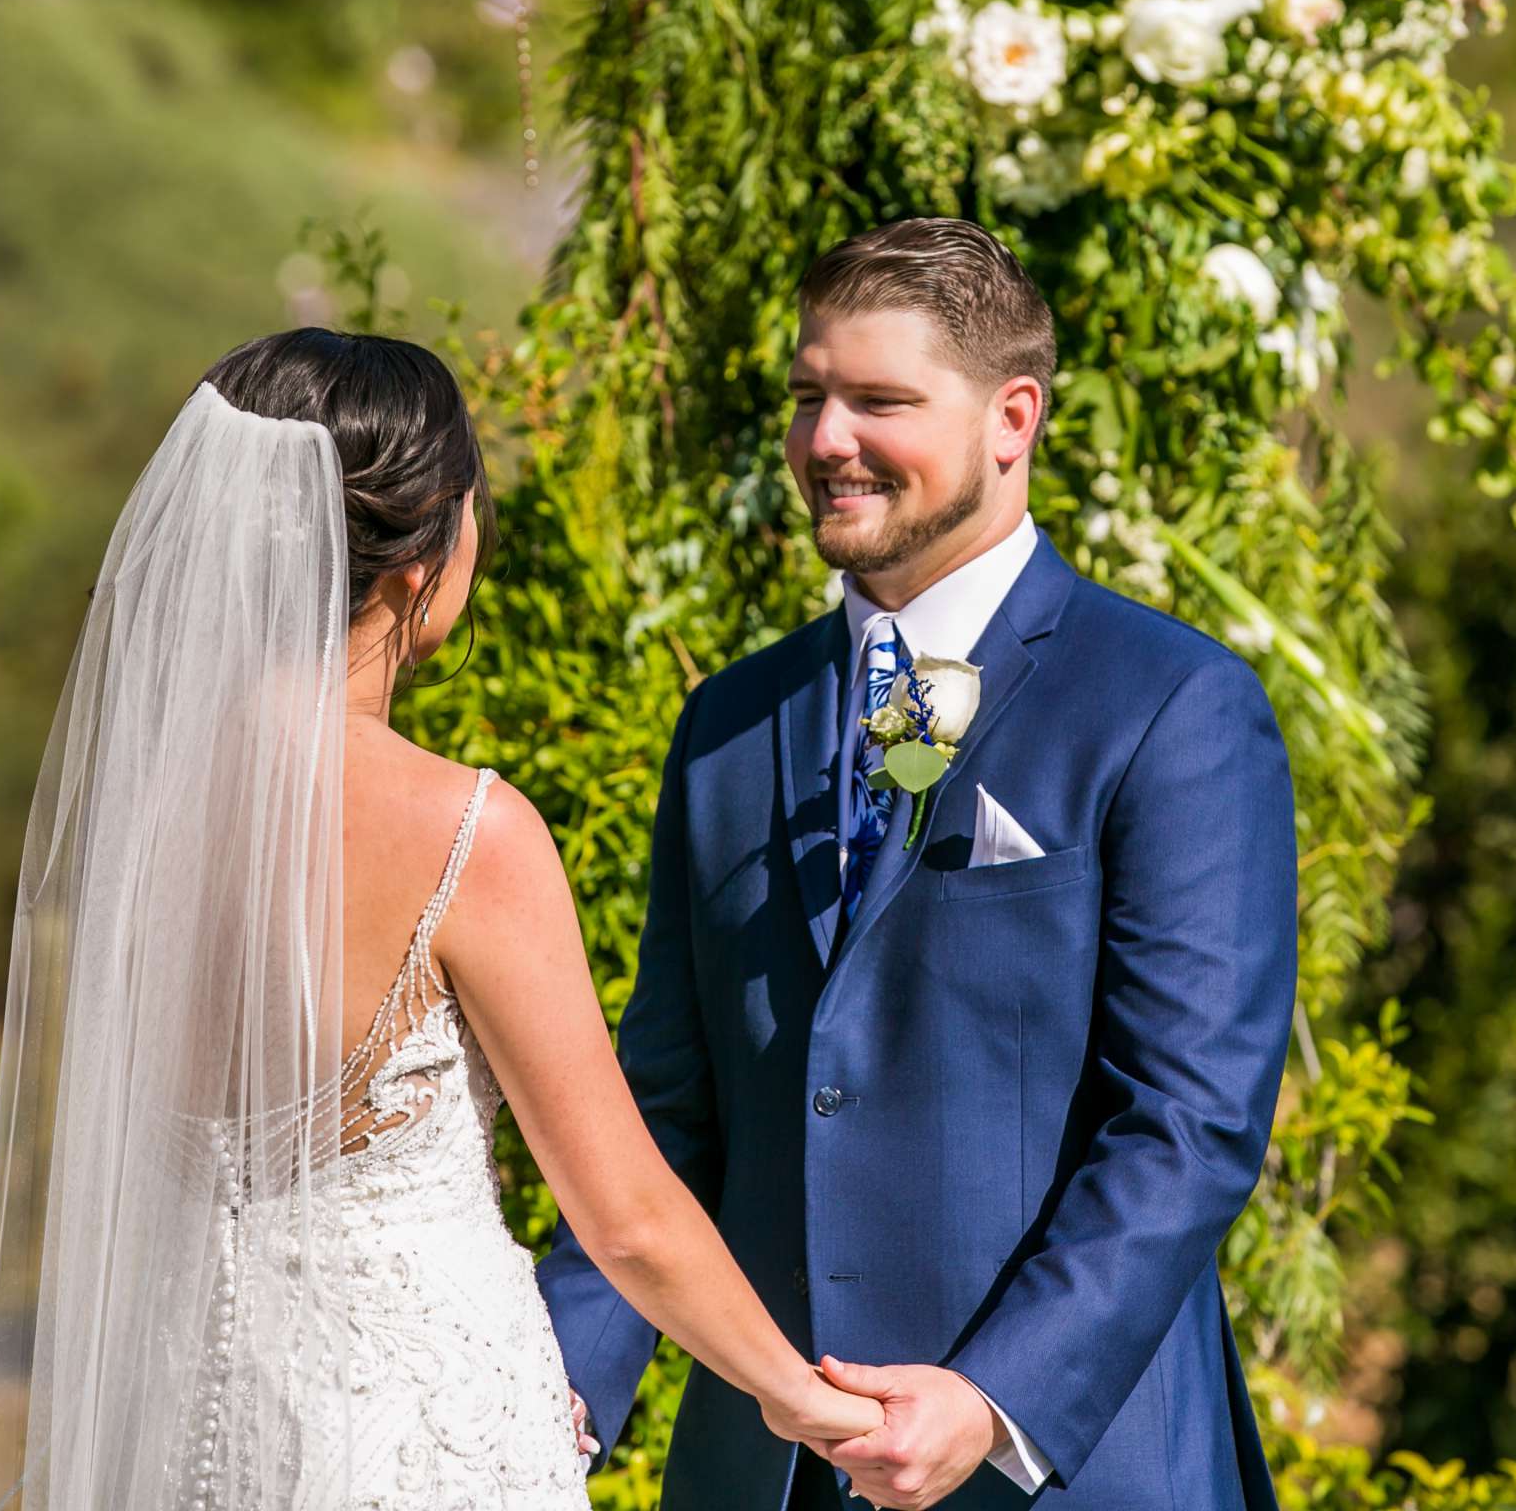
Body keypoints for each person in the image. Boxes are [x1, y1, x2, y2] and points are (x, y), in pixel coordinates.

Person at [0, 330, 879, 1510]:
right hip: (412, 1435)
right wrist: (808, 1400)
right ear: (425, 550)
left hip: (182, 1422)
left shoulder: (145, 815)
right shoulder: (466, 831)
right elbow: (629, 1218)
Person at [540, 218, 1299, 1510]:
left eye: (878, 400)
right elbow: (666, 1111)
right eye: (807, 397)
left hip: (1059, 1469)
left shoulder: (1173, 707)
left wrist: (991, 1396)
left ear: (1014, 418)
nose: (824, 440)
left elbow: (1185, 1124)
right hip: (763, 1476)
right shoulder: (731, 725)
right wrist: (555, 1383)